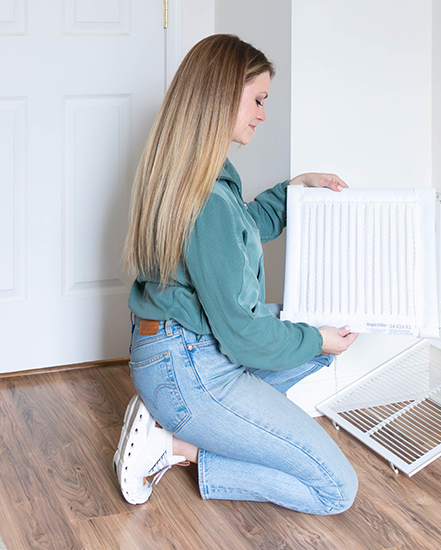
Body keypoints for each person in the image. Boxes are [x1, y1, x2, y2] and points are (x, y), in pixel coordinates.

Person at [114, 34, 359, 515]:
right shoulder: (206, 198)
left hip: (176, 351)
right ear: (223, 95)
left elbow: (242, 228)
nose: (263, 114)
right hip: (189, 369)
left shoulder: (194, 174)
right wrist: (318, 340)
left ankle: (206, 424)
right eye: (259, 100)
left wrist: (296, 189)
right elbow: (245, 336)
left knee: (313, 325)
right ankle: (176, 447)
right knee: (336, 489)